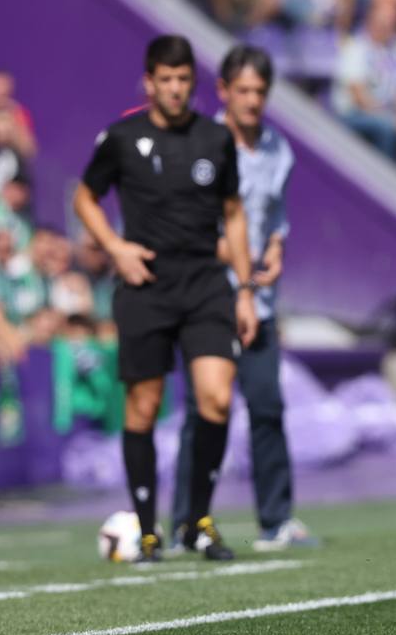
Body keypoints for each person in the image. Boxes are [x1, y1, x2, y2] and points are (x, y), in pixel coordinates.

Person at [73, 34, 259, 563]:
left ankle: (197, 521)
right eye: (166, 80)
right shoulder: (122, 137)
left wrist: (243, 290)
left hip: (204, 282)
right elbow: (84, 196)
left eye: (184, 80)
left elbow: (234, 214)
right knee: (144, 406)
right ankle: (147, 526)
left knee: (216, 398)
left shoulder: (215, 139)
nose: (176, 89)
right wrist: (114, 247)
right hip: (146, 285)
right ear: (149, 82)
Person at [172, 45, 316, 553]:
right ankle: (187, 523)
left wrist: (274, 250)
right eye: (244, 91)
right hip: (212, 297)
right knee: (203, 413)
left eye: (260, 91)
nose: (253, 100)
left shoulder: (279, 150)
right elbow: (193, 227)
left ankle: (275, 521)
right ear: (224, 92)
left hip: (260, 301)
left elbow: (274, 218)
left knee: (267, 407)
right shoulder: (199, 145)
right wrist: (243, 285)